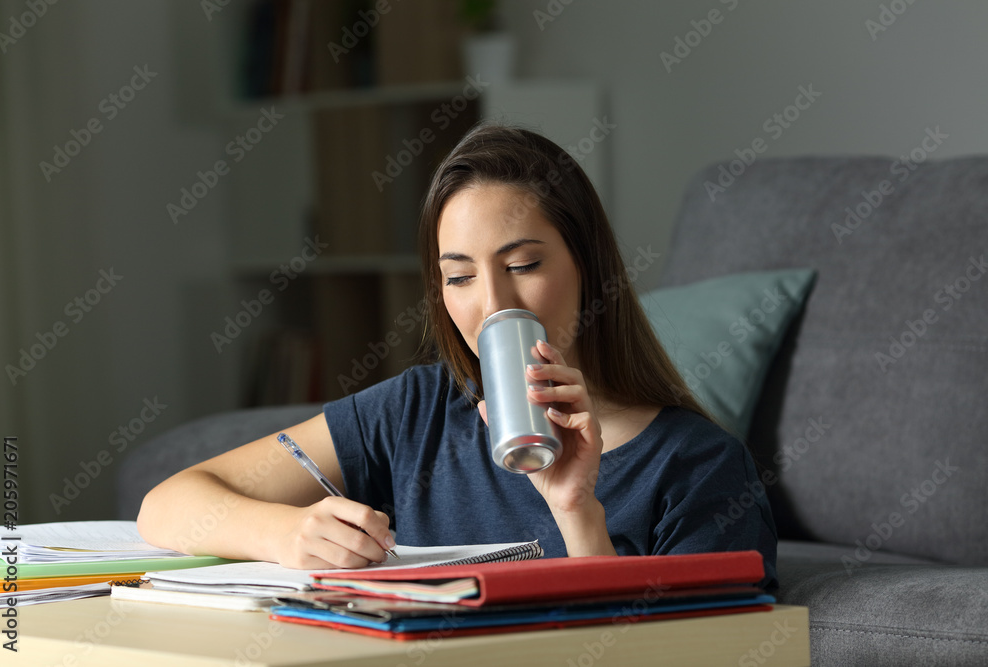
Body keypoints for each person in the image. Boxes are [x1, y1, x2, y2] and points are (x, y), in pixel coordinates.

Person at [137, 122, 778, 588]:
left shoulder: (700, 468)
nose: (494, 303)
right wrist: (287, 534)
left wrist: (577, 513)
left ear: (589, 265)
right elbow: (169, 504)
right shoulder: (418, 411)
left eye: (523, 264)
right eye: (460, 276)